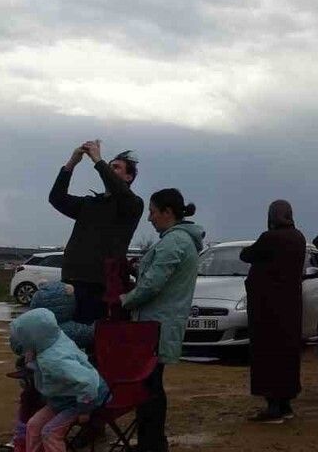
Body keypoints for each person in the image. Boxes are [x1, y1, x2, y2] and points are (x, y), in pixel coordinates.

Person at [114, 188, 204, 452]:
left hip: (156, 326)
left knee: (149, 388)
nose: (150, 218)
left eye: (153, 212)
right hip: (160, 324)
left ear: (167, 212)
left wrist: (124, 300)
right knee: (152, 385)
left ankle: (151, 444)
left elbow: (153, 284)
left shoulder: (174, 242)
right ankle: (153, 442)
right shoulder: (176, 240)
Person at [48, 140, 144, 323]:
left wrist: (98, 161)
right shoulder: (90, 203)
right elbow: (56, 198)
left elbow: (121, 192)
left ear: (129, 177)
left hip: (101, 284)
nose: (110, 170)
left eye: (116, 168)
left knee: (93, 337)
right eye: (110, 167)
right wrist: (72, 163)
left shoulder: (132, 204)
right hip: (71, 279)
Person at [240, 199, 306, 423]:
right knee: (287, 355)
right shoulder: (298, 237)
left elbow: (247, 255)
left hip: (267, 308)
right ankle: (285, 403)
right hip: (290, 307)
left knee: (268, 354)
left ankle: (273, 406)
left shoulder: (271, 238)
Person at [9, 308, 110, 452]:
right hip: (63, 397)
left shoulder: (55, 360)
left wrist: (85, 410)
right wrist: (31, 357)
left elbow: (88, 382)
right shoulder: (53, 338)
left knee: (50, 433)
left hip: (84, 398)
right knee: (33, 425)